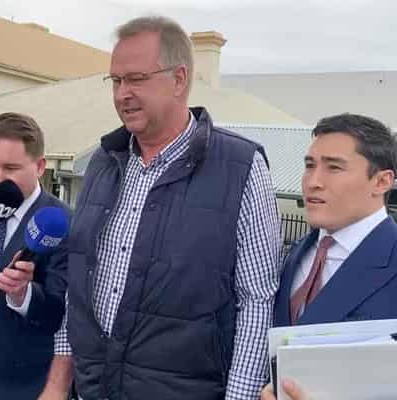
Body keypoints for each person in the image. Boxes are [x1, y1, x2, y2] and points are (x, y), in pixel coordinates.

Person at [40, 15, 280, 400]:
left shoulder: (240, 166)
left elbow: (256, 300)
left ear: (179, 79)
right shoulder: (104, 161)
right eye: (115, 81)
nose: (122, 94)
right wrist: (57, 384)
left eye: (136, 79)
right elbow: (78, 288)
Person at [261, 113, 397, 399]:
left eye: (334, 168)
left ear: (382, 181)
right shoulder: (295, 255)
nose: (313, 181)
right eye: (310, 166)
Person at [0, 112, 70, 400]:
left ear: (40, 166)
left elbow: (61, 315)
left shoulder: (63, 224)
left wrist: (23, 295)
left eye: (10, 168)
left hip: (25, 386)